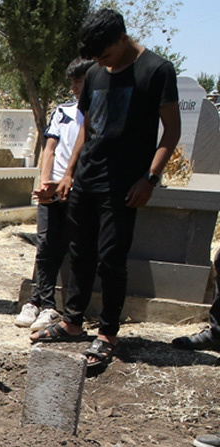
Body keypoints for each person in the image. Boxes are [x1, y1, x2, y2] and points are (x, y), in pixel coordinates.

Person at [31, 8, 181, 375]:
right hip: (87, 179)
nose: (102, 63)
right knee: (79, 252)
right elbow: (87, 127)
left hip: (124, 184)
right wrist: (69, 172)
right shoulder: (96, 73)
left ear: (121, 38)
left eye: (106, 54)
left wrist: (150, 177)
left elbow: (171, 131)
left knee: (111, 258)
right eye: (96, 58)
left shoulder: (157, 71)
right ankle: (72, 322)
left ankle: (109, 333)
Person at [17, 59, 93, 331]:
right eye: (72, 81)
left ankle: (41, 302)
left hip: (76, 189)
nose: (74, 87)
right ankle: (44, 304)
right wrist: (45, 182)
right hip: (51, 188)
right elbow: (49, 148)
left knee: (64, 246)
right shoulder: (63, 112)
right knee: (46, 244)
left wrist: (65, 182)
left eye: (80, 82)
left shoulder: (97, 114)